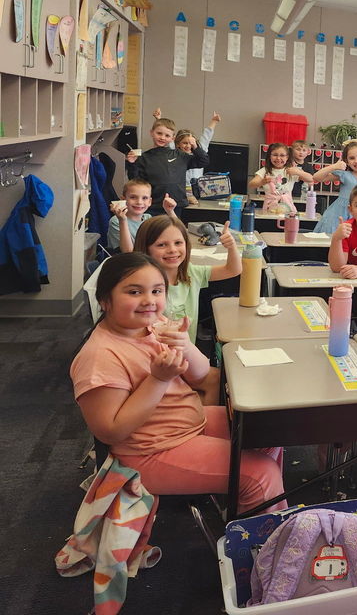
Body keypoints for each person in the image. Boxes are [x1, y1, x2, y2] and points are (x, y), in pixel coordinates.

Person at [70, 253, 284, 513]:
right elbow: (111, 431)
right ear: (105, 300)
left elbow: (202, 375)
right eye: (134, 292)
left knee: (268, 429)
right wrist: (158, 379)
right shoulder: (100, 355)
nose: (149, 301)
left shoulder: (153, 325)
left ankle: (246, 508)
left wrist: (184, 345)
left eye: (157, 291)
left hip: (186, 425)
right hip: (148, 452)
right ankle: (261, 542)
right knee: (261, 473)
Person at [133, 215, 241, 343]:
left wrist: (231, 246)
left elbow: (233, 270)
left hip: (187, 354)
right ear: (146, 249)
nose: (172, 250)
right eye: (162, 245)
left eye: (178, 243)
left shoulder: (191, 272)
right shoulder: (140, 286)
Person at [126, 116, 209, 216]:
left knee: (173, 230)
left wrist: (195, 146)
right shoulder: (144, 157)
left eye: (167, 135)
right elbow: (136, 181)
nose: (162, 137)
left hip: (176, 205)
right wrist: (132, 164)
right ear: (151, 132)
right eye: (159, 133)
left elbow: (203, 161)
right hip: (153, 206)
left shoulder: (180, 155)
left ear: (173, 138)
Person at [312, 140, 357, 233]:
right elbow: (317, 177)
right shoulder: (344, 175)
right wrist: (334, 166)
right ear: (347, 161)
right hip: (337, 217)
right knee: (332, 243)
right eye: (352, 158)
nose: (356, 161)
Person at [108, 179, 174, 252]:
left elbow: (177, 234)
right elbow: (128, 253)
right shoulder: (116, 221)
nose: (139, 202)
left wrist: (170, 211)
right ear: (123, 199)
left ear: (150, 202)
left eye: (144, 198)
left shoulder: (148, 218)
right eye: (133, 197)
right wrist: (122, 221)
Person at [248, 142, 312, 196]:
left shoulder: (291, 170)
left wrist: (299, 172)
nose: (278, 158)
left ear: (287, 157)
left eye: (282, 155)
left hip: (287, 207)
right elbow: (251, 184)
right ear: (270, 156)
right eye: (275, 155)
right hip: (270, 206)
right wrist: (263, 181)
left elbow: (311, 179)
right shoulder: (265, 170)